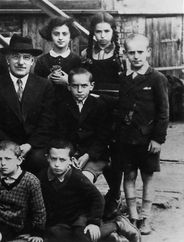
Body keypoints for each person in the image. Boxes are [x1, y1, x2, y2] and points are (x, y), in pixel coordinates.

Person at [0, 34, 56, 175]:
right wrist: (10, 146)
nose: (21, 62)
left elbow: (48, 122)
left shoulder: (44, 85)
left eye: (26, 57)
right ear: (7, 59)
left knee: (38, 160)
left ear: (32, 61)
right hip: (4, 143)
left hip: (33, 145)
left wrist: (29, 145)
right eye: (16, 56)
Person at [39, 139, 141, 242]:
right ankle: (108, 238)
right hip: (62, 219)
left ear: (71, 160)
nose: (57, 164)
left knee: (82, 238)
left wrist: (94, 222)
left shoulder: (77, 177)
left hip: (80, 217)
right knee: (52, 236)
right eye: (53, 159)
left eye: (62, 160)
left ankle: (117, 225)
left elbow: (97, 198)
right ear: (47, 158)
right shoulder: (42, 177)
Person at [118, 34, 169, 235]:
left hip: (148, 140)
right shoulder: (124, 79)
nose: (136, 56)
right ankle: (133, 216)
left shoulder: (157, 79)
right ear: (126, 54)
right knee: (128, 175)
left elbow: (164, 112)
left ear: (148, 52)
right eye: (132, 52)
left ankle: (146, 216)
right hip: (126, 139)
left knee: (148, 177)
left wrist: (158, 138)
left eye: (140, 52)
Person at [81, 12, 125, 220]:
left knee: (116, 156)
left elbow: (127, 86)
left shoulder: (121, 55)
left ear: (113, 32)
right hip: (96, 111)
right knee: (98, 150)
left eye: (106, 31)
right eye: (98, 31)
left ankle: (114, 195)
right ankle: (90, 200)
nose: (102, 36)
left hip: (117, 111)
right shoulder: (86, 54)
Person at [55, 67, 111, 183]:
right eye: (75, 86)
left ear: (92, 86)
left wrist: (87, 155)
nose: (79, 90)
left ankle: (94, 200)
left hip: (94, 154)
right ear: (69, 87)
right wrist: (70, 156)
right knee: (63, 178)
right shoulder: (62, 105)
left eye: (84, 86)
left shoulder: (100, 105)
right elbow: (61, 134)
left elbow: (103, 137)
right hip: (70, 154)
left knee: (84, 179)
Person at [34, 16, 81, 101]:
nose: (60, 38)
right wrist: (47, 81)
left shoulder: (77, 60)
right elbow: (35, 88)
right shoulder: (42, 61)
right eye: (56, 34)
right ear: (50, 36)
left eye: (64, 34)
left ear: (70, 37)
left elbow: (83, 87)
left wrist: (69, 81)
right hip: (48, 106)